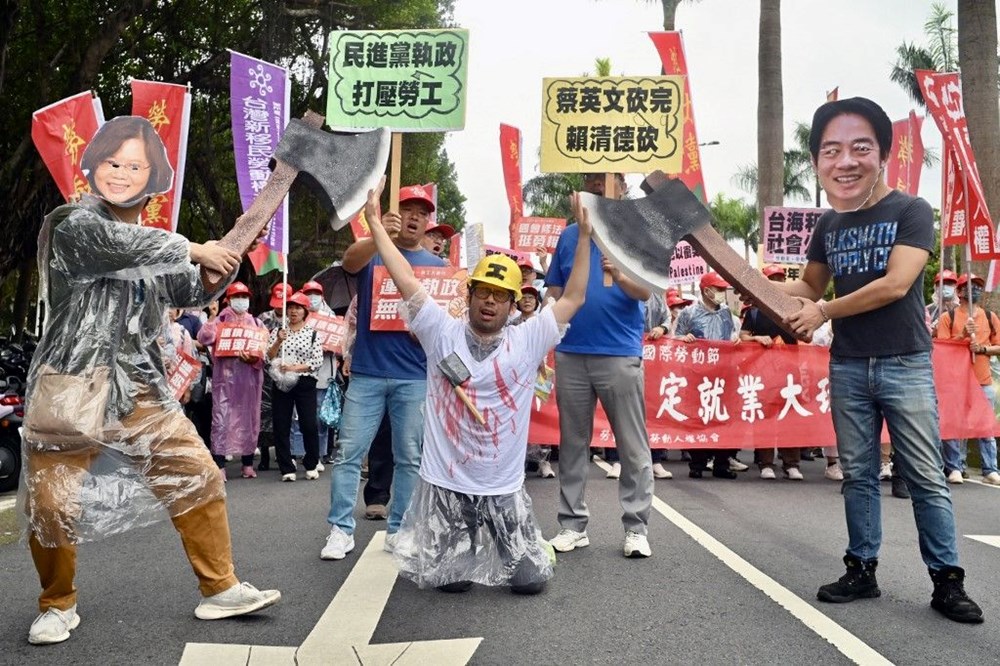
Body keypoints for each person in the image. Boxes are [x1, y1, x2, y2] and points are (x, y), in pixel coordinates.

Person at [20, 116, 279, 645]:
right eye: (112, 162)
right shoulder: (73, 224)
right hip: (70, 383)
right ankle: (57, 603)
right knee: (51, 502)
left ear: (154, 178)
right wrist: (193, 247)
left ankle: (220, 587)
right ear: (94, 167)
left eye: (135, 166)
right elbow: (116, 244)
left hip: (138, 388)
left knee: (197, 474)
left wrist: (229, 253)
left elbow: (191, 289)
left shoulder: (157, 245)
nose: (121, 173)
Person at [779, 96, 983, 623]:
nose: (845, 161)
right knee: (859, 475)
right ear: (818, 161)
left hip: (904, 362)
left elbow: (895, 284)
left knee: (925, 475)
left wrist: (823, 310)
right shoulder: (829, 223)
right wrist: (759, 285)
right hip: (848, 364)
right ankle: (861, 569)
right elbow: (809, 286)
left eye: (860, 147)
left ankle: (948, 581)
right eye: (831, 150)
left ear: (883, 154)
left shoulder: (910, 210)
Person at [360, 180, 592, 593]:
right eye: (483, 292)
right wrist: (375, 224)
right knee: (451, 583)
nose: (490, 302)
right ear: (468, 296)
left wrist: (586, 238)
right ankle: (462, 544)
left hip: (502, 489)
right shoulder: (440, 332)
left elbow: (573, 297)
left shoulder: (528, 339)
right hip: (447, 487)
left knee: (529, 582)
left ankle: (526, 546)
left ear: (512, 305)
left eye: (500, 296)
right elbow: (405, 277)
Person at [321, 183, 446, 561]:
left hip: (415, 376)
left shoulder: (440, 268)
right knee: (348, 453)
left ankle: (400, 529)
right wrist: (378, 232)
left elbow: (448, 323)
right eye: (407, 210)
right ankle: (340, 529)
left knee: (409, 457)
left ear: (428, 222)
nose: (414, 218)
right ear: (396, 213)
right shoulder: (373, 253)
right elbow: (348, 263)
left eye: (422, 213)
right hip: (368, 373)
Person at [546, 172, 656, 559]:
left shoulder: (636, 232)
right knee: (572, 444)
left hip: (619, 352)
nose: (599, 185)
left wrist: (621, 275)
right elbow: (555, 290)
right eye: (592, 179)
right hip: (571, 351)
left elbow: (646, 291)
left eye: (608, 179)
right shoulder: (567, 236)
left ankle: (636, 528)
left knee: (632, 445)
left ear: (623, 187)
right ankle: (572, 524)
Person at [674, 272, 741, 479]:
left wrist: (735, 340)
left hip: (722, 373)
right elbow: (675, 339)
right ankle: (697, 463)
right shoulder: (689, 313)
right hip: (697, 374)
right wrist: (683, 339)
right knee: (698, 417)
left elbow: (730, 335)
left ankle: (722, 463)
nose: (721, 293)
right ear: (707, 290)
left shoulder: (726, 312)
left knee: (722, 416)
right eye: (718, 289)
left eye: (722, 289)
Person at [740, 265, 804, 480]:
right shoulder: (754, 311)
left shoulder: (793, 308)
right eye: (772, 278)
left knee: (790, 416)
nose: (776, 282)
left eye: (779, 278)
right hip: (764, 371)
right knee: (765, 417)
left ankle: (791, 464)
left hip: (789, 372)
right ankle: (766, 463)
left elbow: (806, 334)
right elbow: (743, 336)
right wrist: (756, 338)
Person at [936, 273, 1000, 486]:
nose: (975, 290)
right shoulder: (948, 317)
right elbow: (942, 348)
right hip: (956, 381)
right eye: (970, 286)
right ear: (960, 291)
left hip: (983, 380)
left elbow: (998, 345)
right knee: (954, 425)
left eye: (978, 286)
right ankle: (955, 466)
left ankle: (990, 469)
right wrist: (962, 336)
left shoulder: (989, 316)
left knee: (986, 427)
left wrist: (982, 349)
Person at [198, 282, 265, 481]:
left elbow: (263, 351)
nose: (241, 300)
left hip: (249, 382)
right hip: (224, 382)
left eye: (244, 297)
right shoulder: (220, 320)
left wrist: (253, 359)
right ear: (228, 300)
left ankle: (247, 464)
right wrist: (212, 316)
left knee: (249, 420)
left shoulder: (256, 323)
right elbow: (204, 338)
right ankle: (219, 464)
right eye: (237, 297)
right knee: (221, 420)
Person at [267, 291, 324, 482]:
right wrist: (278, 340)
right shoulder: (278, 331)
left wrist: (294, 368)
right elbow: (269, 356)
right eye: (290, 307)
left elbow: (316, 361)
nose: (293, 311)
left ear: (305, 311)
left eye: (298, 308)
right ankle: (286, 467)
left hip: (305, 381)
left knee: (308, 423)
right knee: (281, 424)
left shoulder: (313, 334)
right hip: (282, 381)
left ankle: (311, 462)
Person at [927, 269, 959, 334]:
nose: (945, 286)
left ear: (956, 287)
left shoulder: (962, 310)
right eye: (941, 284)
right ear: (935, 287)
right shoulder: (928, 310)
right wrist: (933, 333)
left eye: (949, 283)